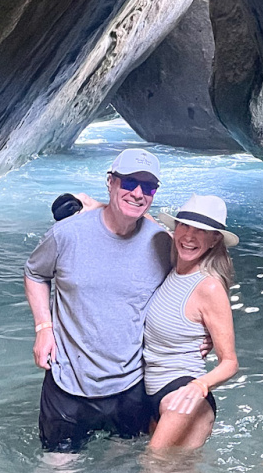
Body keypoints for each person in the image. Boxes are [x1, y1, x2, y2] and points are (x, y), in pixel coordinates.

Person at [24, 148, 171, 455]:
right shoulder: (66, 234)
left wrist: (201, 336)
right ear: (110, 182)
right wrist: (43, 327)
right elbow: (35, 273)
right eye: (130, 182)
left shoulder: (162, 244)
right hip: (67, 380)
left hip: (130, 385)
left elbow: (189, 286)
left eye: (148, 187)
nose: (138, 193)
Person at [143, 195, 239, 452]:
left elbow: (230, 362)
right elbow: (137, 214)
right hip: (154, 389)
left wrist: (200, 386)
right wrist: (87, 202)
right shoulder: (175, 266)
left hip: (183, 394)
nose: (189, 236)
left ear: (214, 240)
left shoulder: (209, 286)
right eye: (184, 226)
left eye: (201, 231)